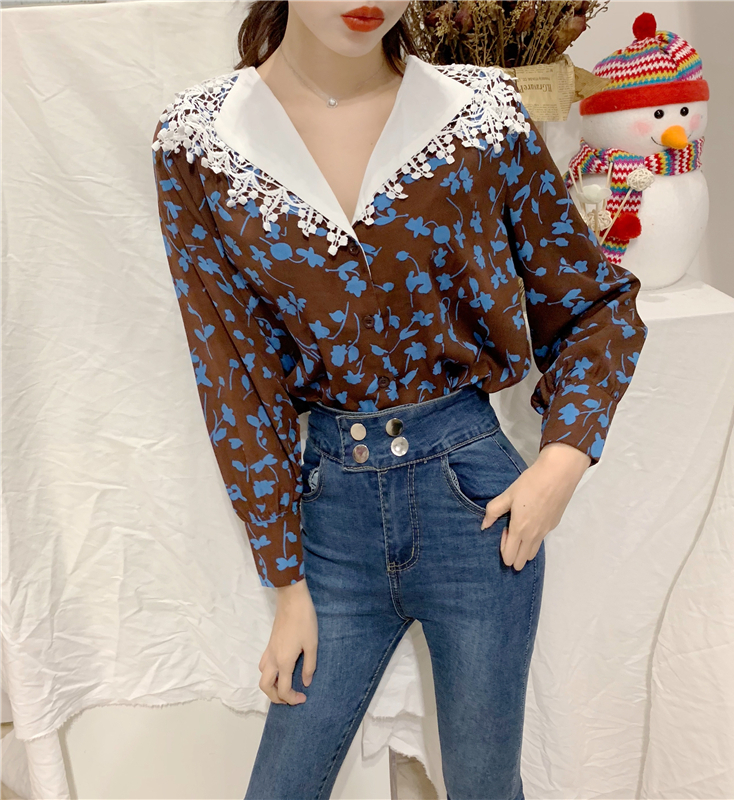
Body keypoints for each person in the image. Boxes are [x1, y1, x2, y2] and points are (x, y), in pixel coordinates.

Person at [151, 1, 648, 797]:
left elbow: (594, 305)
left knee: (485, 786)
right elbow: (233, 374)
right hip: (331, 525)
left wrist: (561, 462)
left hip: (475, 507)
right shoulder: (200, 141)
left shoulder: (479, 115)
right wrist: (287, 584)